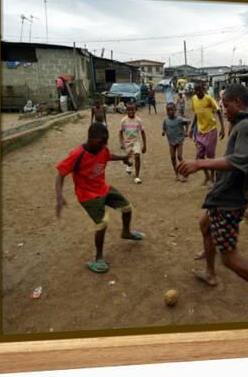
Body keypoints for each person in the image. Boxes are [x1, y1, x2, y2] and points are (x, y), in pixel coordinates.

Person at [178, 84, 248, 312]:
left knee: (228, 257)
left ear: (238, 103)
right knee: (204, 222)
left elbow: (244, 160)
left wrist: (199, 163)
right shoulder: (247, 125)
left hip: (229, 201)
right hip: (224, 194)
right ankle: (210, 273)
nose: (222, 108)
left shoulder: (246, 127)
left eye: (225, 104)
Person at [55, 122, 145, 274]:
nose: (103, 145)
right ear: (90, 138)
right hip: (87, 195)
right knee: (102, 222)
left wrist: (123, 158)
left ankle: (126, 232)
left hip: (103, 189)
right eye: (100, 141)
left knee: (127, 207)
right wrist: (59, 196)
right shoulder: (78, 155)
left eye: (106, 141)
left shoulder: (102, 149)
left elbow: (109, 156)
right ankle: (98, 258)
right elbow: (60, 174)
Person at [189, 82, 225, 186]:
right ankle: (207, 176)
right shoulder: (194, 99)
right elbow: (196, 114)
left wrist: (222, 127)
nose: (198, 92)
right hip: (200, 131)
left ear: (204, 89)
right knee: (199, 155)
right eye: (196, 90)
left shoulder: (209, 99)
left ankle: (212, 178)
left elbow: (218, 111)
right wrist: (191, 128)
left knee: (210, 157)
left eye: (200, 90)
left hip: (211, 130)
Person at [120, 103, 147, 184]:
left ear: (135, 110)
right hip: (127, 142)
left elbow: (142, 132)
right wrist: (122, 143)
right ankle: (129, 164)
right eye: (129, 109)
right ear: (126, 110)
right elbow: (120, 132)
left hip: (136, 141)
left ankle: (137, 177)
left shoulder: (138, 120)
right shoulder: (123, 121)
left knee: (137, 156)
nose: (131, 111)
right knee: (125, 160)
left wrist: (144, 145)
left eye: (132, 109)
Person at [162, 102, 190, 181]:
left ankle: (185, 172)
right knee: (172, 157)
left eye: (172, 110)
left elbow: (188, 122)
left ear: (175, 110)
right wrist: (163, 132)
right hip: (171, 141)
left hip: (179, 140)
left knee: (179, 156)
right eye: (168, 110)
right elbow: (164, 127)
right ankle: (176, 173)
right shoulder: (165, 120)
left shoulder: (179, 119)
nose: (170, 112)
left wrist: (186, 132)